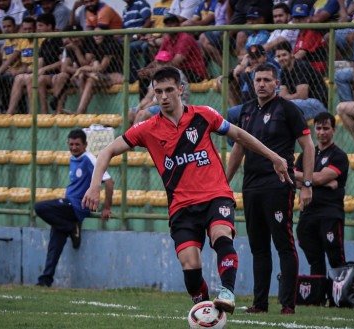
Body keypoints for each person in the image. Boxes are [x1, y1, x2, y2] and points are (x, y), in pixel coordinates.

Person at [82, 66, 293, 314]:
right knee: (190, 268)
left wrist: (274, 157)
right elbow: (107, 151)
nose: (163, 96)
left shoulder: (204, 115)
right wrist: (94, 185)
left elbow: (239, 135)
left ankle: (227, 291)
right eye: (158, 91)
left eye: (169, 90)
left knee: (221, 236)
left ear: (180, 89)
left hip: (216, 195)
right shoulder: (147, 128)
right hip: (182, 206)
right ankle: (204, 307)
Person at [225, 63, 315, 315]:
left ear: (277, 83)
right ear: (252, 83)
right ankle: (260, 303)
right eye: (258, 80)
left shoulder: (288, 109)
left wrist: (307, 184)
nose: (262, 84)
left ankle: (288, 304)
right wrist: (224, 182)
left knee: (284, 243)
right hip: (251, 186)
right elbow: (238, 149)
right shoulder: (245, 111)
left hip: (278, 185)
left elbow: (308, 146)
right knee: (258, 246)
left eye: (267, 79)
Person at [36, 128, 114, 287]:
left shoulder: (89, 159)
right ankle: (45, 280)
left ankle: (71, 227)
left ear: (85, 145)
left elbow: (110, 182)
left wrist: (106, 207)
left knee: (39, 207)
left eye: (77, 144)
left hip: (75, 206)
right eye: (71, 144)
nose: (73, 147)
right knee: (55, 242)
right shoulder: (74, 158)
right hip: (68, 207)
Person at [294, 112, 348, 279]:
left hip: (329, 212)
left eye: (326, 128)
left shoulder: (339, 156)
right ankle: (317, 294)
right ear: (314, 130)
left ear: (334, 130)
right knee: (314, 257)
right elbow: (293, 178)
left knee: (335, 256)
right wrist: (318, 181)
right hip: (308, 212)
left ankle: (340, 296)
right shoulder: (306, 154)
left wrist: (309, 179)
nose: (322, 132)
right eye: (318, 128)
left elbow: (317, 178)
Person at [275, 41, 328, 120]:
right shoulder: (283, 71)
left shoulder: (301, 66)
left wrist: (288, 97)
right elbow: (282, 95)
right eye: (278, 56)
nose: (281, 58)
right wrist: (291, 97)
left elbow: (302, 96)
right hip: (299, 104)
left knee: (284, 106)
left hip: (316, 104)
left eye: (284, 55)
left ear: (291, 54)